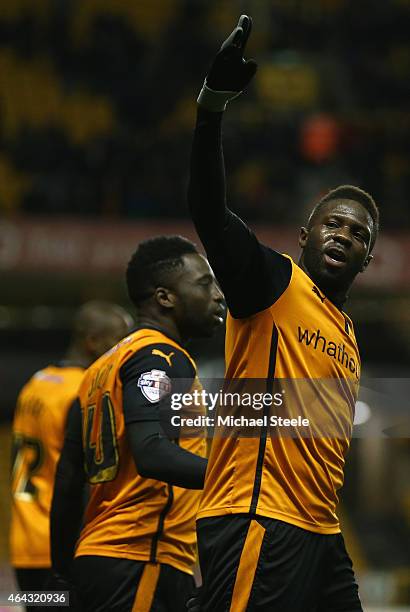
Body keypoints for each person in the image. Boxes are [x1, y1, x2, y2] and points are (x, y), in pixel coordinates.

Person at [188, 15, 379, 612]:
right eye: (333, 223)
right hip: (258, 517)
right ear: (305, 234)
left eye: (357, 234)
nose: (343, 235)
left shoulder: (346, 331)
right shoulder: (272, 283)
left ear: (367, 258)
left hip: (321, 529)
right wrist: (212, 106)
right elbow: (208, 211)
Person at [50, 236, 224, 612]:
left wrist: (65, 571)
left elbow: (67, 482)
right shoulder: (160, 355)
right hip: (142, 556)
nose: (219, 296)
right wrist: (240, 477)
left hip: (99, 559)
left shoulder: (98, 370)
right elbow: (152, 453)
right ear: (165, 297)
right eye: (204, 284)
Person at [10, 301, 132, 608]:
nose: (125, 351)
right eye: (119, 340)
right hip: (61, 544)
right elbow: (81, 477)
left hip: (24, 542)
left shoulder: (36, 383)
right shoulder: (84, 391)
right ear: (92, 341)